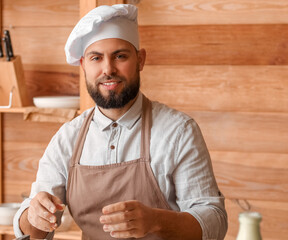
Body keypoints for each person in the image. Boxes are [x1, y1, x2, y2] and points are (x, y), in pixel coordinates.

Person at [14, 4, 227, 240]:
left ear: (140, 60)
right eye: (96, 58)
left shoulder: (178, 131)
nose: (108, 69)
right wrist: (33, 215)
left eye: (120, 56)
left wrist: (156, 221)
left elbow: (214, 220)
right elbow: (32, 227)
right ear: (84, 65)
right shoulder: (68, 138)